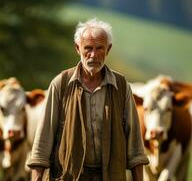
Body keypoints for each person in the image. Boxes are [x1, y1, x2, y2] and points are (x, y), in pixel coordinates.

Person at [26, 18, 149, 181]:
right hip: (68, 176)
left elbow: (134, 142)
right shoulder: (61, 84)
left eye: (100, 48)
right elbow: (43, 139)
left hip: (110, 176)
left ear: (108, 49)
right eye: (88, 48)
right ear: (78, 48)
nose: (93, 55)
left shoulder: (121, 86)